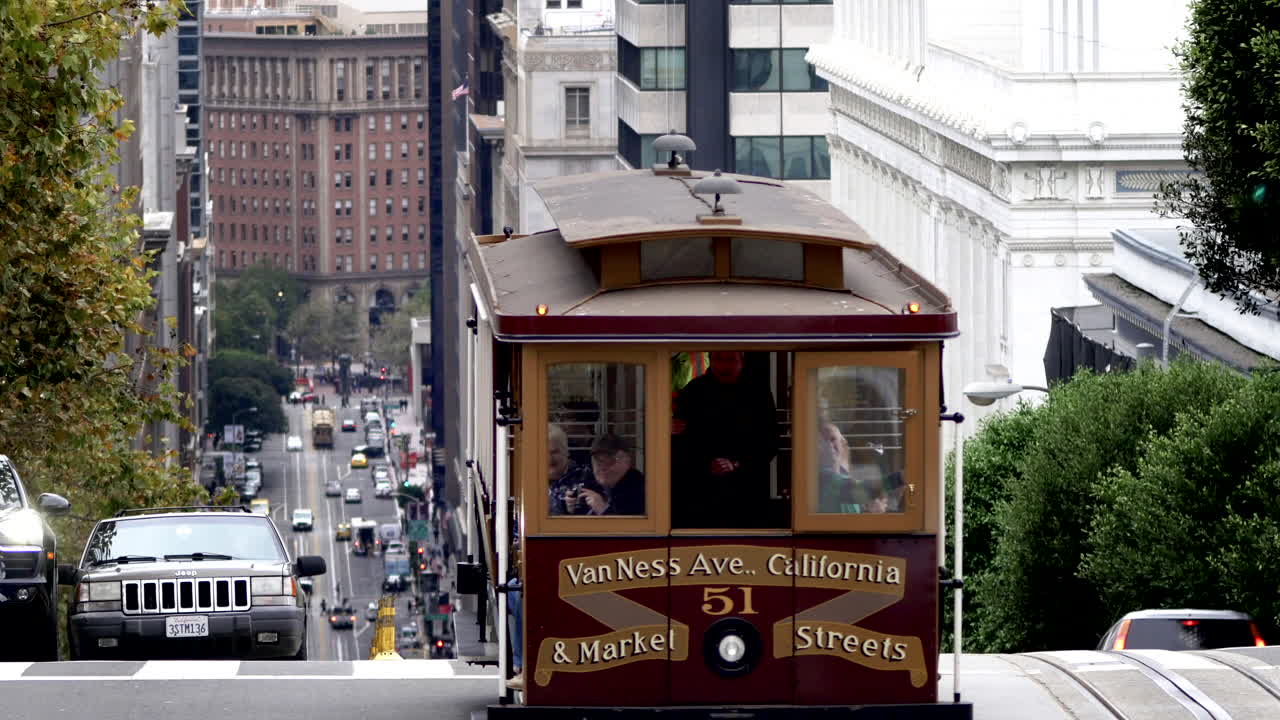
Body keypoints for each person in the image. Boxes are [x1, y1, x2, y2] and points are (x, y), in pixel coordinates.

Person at [671, 351, 779, 527]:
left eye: (730, 359)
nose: (724, 365)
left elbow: (770, 440)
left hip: (748, 485)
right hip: (701, 486)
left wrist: (736, 463)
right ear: (711, 361)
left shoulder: (757, 391)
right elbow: (680, 442)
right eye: (718, 359)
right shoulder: (693, 390)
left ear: (742, 362)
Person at [552, 433, 645, 516]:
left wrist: (604, 510)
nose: (602, 467)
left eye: (610, 460)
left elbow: (631, 532)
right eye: (598, 460)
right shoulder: (587, 481)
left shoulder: (640, 489)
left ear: (627, 460)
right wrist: (570, 509)